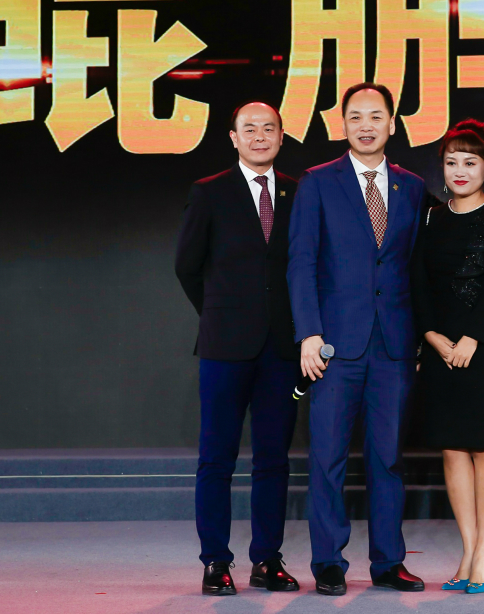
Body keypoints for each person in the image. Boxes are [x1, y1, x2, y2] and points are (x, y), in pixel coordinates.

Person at [287, 82, 428, 596]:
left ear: (392, 123)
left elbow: (415, 267)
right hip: (333, 347)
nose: (366, 126)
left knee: (388, 457)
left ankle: (389, 562)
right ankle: (328, 560)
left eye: (375, 116)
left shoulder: (412, 187)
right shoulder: (318, 183)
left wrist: (418, 339)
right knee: (327, 457)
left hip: (393, 345)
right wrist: (308, 333)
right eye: (355, 117)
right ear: (341, 124)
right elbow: (301, 262)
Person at [174, 101, 302, 596]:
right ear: (233, 137)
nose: (259, 136)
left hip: (282, 349)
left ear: (282, 135)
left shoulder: (297, 191)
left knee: (273, 459)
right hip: (224, 347)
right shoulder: (208, 192)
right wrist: (220, 314)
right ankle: (215, 561)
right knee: (217, 458)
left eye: (269, 128)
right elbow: (187, 266)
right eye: (249, 129)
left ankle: (267, 559)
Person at [410, 120, 484, 595]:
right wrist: (433, 337)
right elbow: (417, 282)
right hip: (439, 346)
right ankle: (468, 549)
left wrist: (472, 338)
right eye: (451, 162)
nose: (459, 170)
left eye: (469, 162)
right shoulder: (429, 217)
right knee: (452, 448)